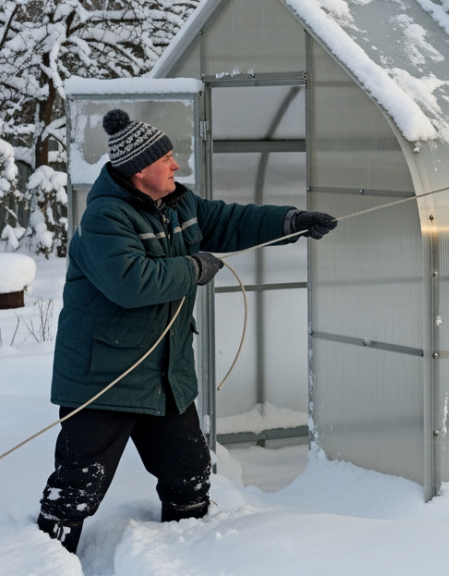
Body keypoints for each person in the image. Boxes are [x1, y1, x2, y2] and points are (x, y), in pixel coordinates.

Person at [37, 109, 337, 553]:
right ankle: (45, 559)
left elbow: (231, 220)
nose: (176, 166)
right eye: (168, 159)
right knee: (77, 488)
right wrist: (193, 267)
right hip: (103, 380)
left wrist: (290, 222)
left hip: (164, 379)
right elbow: (130, 282)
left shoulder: (180, 204)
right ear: (140, 169)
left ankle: (185, 556)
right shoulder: (105, 218)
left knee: (190, 477)